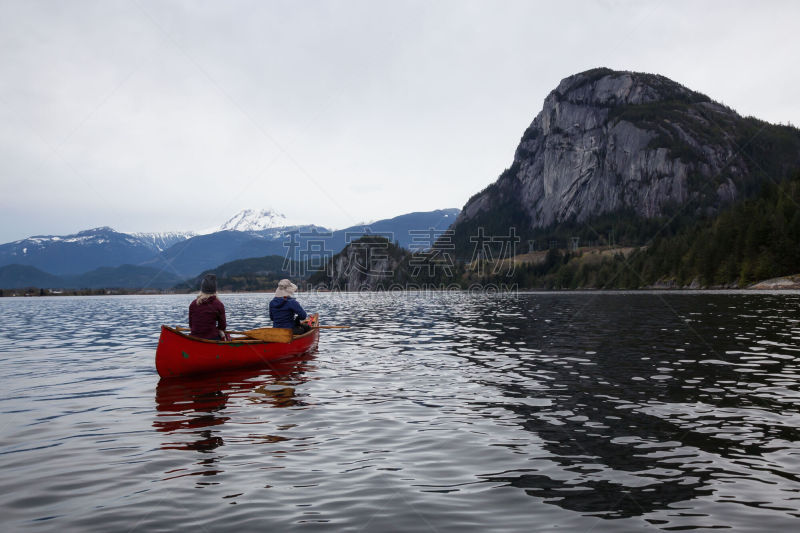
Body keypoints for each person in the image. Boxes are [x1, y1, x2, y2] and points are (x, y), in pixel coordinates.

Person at [189, 274, 229, 340]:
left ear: (202, 289)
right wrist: (217, 330)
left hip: (194, 337)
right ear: (215, 289)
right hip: (212, 338)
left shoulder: (193, 304)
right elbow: (222, 326)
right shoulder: (218, 304)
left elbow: (191, 325)